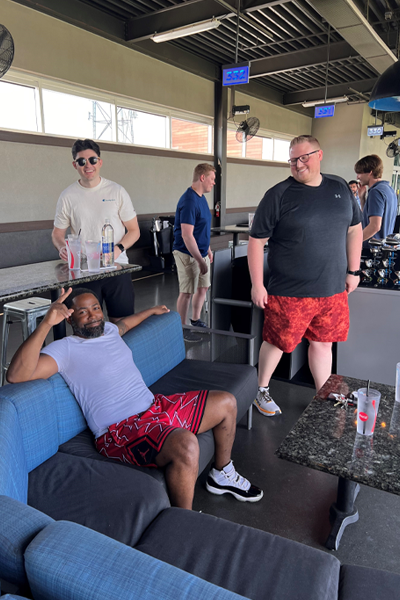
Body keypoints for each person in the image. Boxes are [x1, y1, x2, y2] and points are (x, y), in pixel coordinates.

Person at [7, 287, 263, 509]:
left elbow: (125, 325)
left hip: (156, 408)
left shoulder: (107, 329)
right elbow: (17, 375)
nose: (92, 315)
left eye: (95, 308)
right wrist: (46, 324)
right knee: (186, 445)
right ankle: (185, 522)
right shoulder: (65, 349)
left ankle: (221, 473)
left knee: (227, 402)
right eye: (83, 312)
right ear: (70, 318)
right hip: (120, 431)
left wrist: (151, 311)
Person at [248, 135, 362, 417]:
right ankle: (259, 390)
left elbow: (354, 229)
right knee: (277, 343)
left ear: (319, 155)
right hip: (289, 292)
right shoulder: (278, 194)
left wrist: (354, 270)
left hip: (332, 289)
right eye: (292, 160)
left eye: (304, 158)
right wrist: (257, 285)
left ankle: (324, 393)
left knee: (323, 344)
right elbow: (256, 241)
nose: (298, 165)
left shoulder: (340, 188)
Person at [51, 139, 140, 321]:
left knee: (122, 322)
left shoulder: (117, 191)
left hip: (117, 267)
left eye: (92, 160)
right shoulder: (68, 196)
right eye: (81, 161)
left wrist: (118, 249)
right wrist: (62, 247)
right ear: (75, 165)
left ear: (99, 162)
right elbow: (57, 233)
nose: (88, 165)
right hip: (83, 269)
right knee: (88, 325)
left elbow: (134, 230)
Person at [173, 164, 215, 331]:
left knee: (203, 287)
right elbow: (187, 235)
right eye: (212, 179)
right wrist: (199, 260)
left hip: (201, 252)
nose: (213, 183)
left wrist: (208, 249)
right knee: (186, 292)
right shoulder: (189, 201)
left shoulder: (201, 197)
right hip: (187, 254)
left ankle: (195, 319)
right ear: (202, 178)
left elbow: (200, 228)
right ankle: (182, 328)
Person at [354, 154, 397, 243]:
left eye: (359, 173)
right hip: (383, 246)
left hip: (372, 248)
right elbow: (367, 218)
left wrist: (354, 242)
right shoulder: (389, 189)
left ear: (370, 172)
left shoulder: (376, 192)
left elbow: (375, 226)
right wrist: (362, 198)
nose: (357, 177)